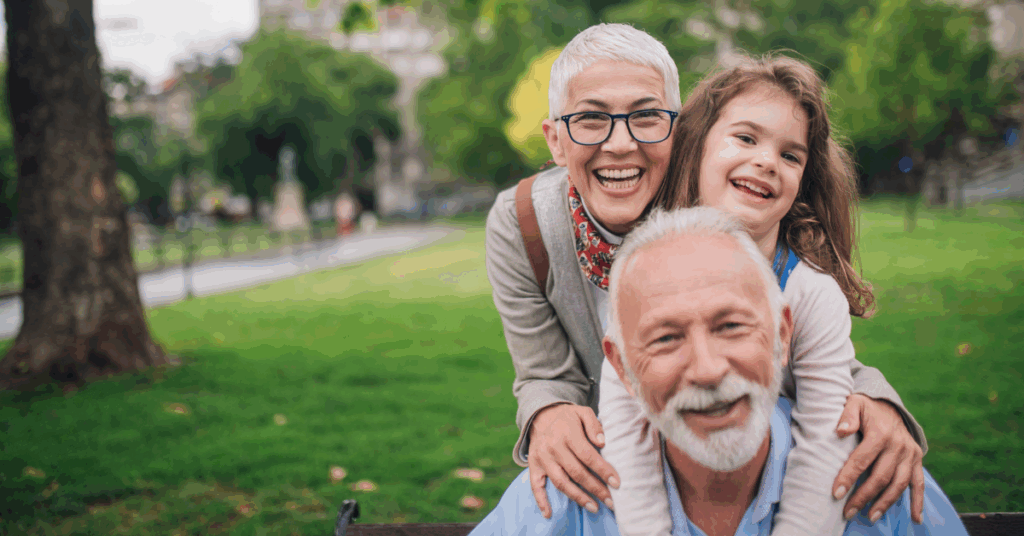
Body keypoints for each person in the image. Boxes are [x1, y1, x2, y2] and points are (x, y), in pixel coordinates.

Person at [485, 22, 926, 533]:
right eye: (590, 119)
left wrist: (877, 400)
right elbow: (543, 372)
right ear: (556, 140)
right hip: (618, 480)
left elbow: (798, 343)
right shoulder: (526, 226)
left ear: (678, 131)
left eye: (647, 117)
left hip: (750, 470)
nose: (621, 144)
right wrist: (548, 413)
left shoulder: (721, 222)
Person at [471, 207, 968, 536]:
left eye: (730, 326)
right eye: (666, 338)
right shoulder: (562, 497)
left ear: (782, 336)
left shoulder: (881, 477)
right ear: (621, 368)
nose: (707, 370)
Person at [598, 54, 924, 536]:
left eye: (790, 155)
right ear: (697, 148)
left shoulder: (810, 292)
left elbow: (826, 438)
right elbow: (626, 433)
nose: (767, 161)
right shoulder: (646, 278)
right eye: (746, 138)